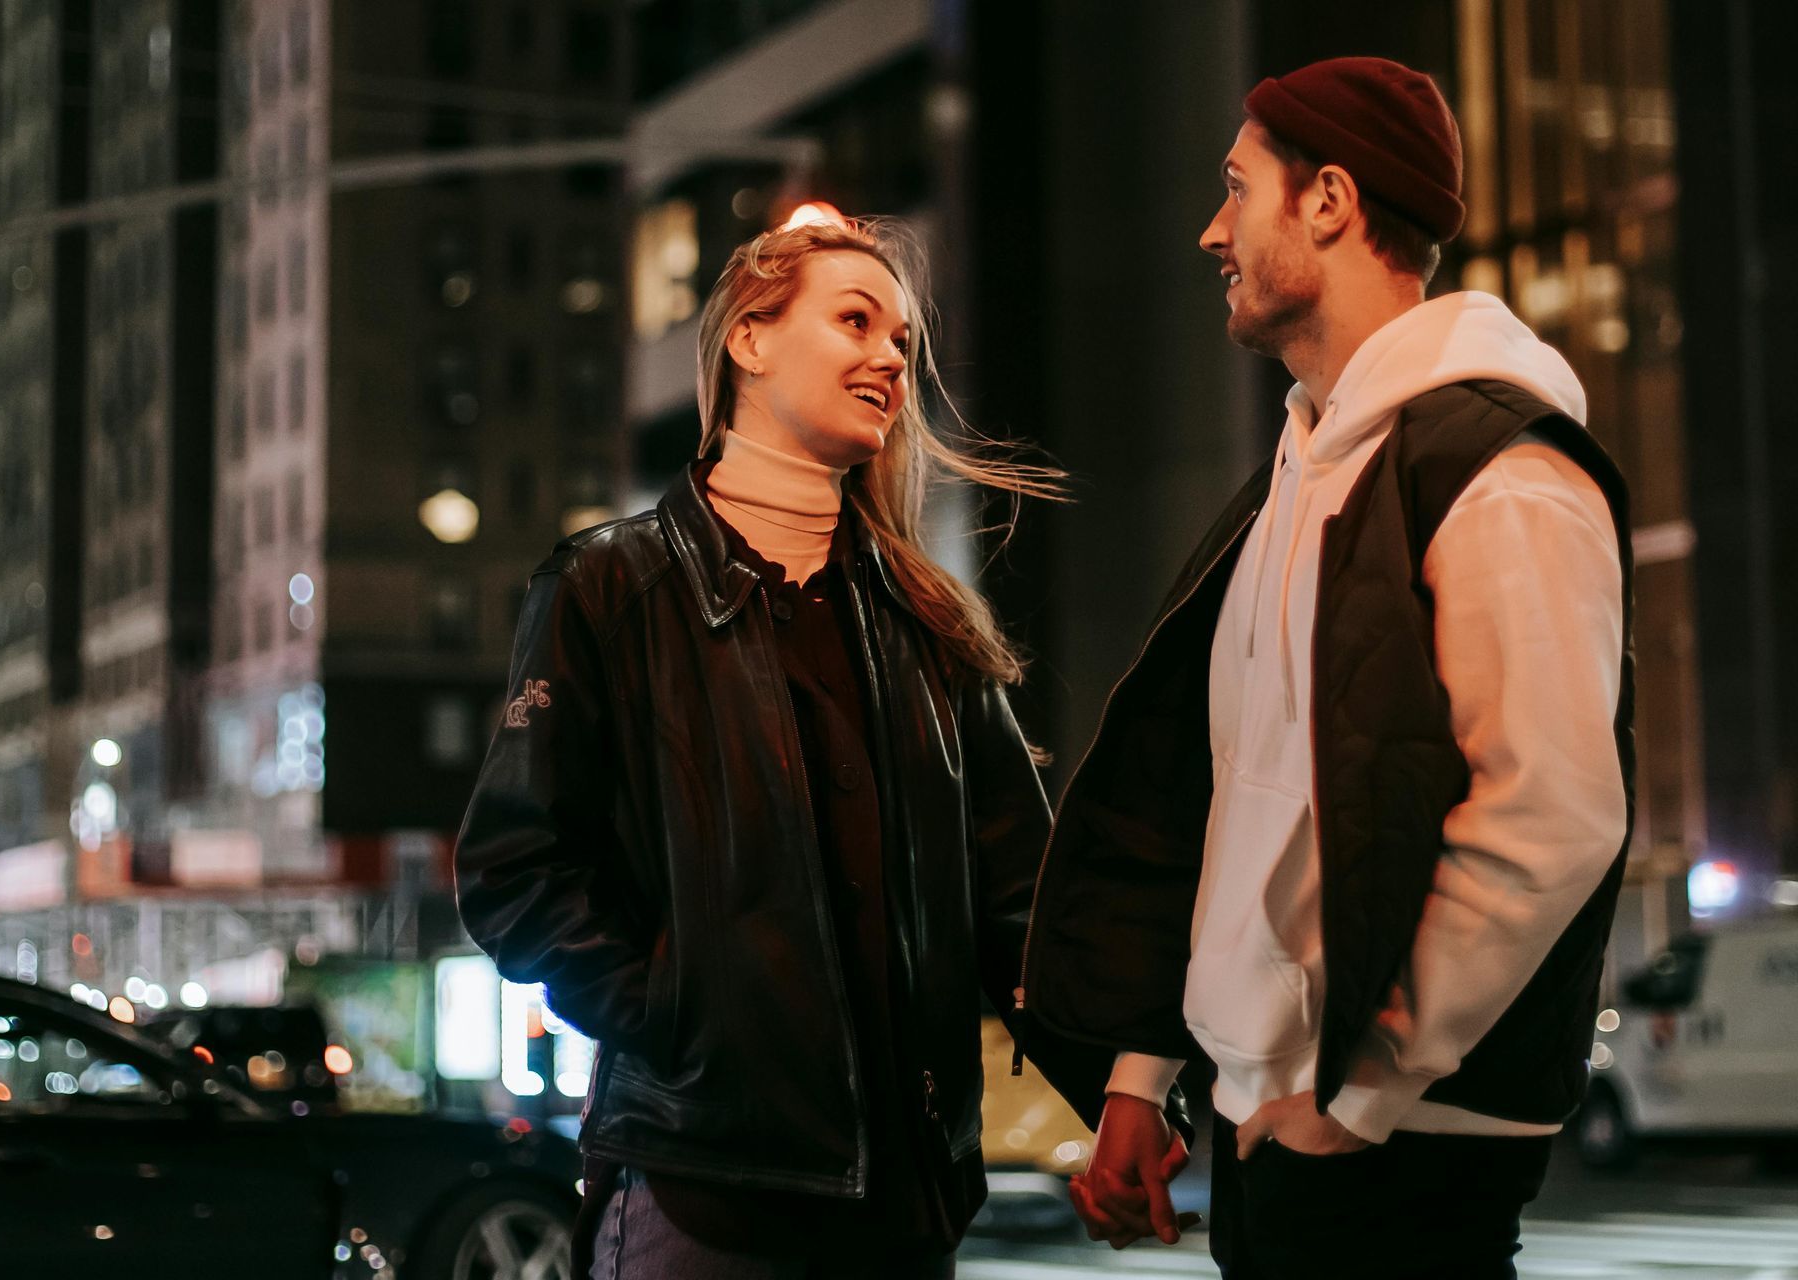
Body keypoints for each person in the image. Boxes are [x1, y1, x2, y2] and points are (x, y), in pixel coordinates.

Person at [1018, 57, 1634, 1279]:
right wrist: (1147, 1072)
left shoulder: (1496, 466)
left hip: (1399, 1148)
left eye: (1235, 189)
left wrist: (1357, 1093)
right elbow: (1214, 792)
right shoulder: (1301, 473)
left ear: (1330, 203)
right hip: (1281, 1133)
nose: (1211, 230)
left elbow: (1551, 814)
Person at [455, 214, 1157, 1278]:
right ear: (750, 337)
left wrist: (1124, 1085)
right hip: (703, 1198)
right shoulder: (610, 587)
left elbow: (1022, 897)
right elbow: (514, 869)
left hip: (907, 1210)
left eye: (904, 342)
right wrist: (682, 1018)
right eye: (857, 320)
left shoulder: (930, 621)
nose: (890, 358)